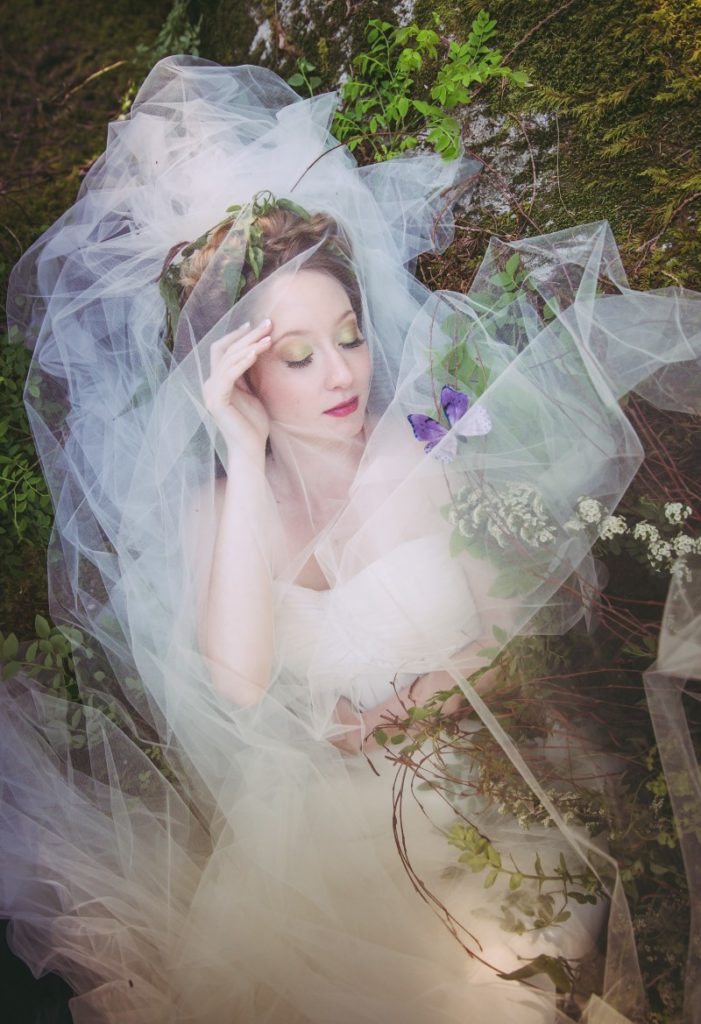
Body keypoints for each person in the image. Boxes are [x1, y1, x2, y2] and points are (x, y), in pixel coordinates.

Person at [1, 55, 700, 1024]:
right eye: (295, 355)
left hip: (477, 797)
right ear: (237, 376)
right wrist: (245, 459)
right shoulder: (218, 508)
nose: (341, 371)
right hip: (316, 838)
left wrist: (415, 703)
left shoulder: (430, 443)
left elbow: (520, 634)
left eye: (348, 333)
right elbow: (239, 685)